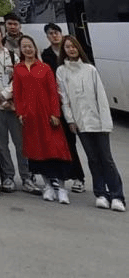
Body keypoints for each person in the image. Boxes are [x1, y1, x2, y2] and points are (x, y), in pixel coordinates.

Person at [56, 35, 124, 212]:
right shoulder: (61, 71)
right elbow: (64, 99)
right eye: (67, 47)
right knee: (93, 159)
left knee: (106, 159)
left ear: (79, 48)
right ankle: (101, 194)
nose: (71, 49)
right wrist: (70, 120)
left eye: (73, 46)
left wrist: (105, 121)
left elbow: (101, 96)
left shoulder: (90, 69)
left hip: (98, 122)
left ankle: (117, 195)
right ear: (64, 51)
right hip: (80, 123)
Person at [12, 33, 72, 204]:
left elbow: (53, 92)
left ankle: (61, 188)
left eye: (30, 46)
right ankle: (48, 186)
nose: (27, 49)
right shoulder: (18, 69)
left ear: (35, 48)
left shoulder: (44, 68)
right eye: (24, 47)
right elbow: (17, 93)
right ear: (20, 50)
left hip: (47, 116)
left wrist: (55, 114)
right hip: (30, 118)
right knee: (38, 153)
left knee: (55, 151)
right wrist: (20, 113)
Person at [0, 20, 32, 192]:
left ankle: (26, 177)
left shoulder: (12, 55)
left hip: (13, 105)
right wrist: (0, 100)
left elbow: (18, 78)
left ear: (2, 33)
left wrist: (7, 97)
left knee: (21, 143)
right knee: (2, 144)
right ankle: (8, 176)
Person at [41, 23, 86, 192]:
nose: (54, 36)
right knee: (68, 143)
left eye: (56, 32)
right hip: (59, 104)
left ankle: (84, 177)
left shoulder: (70, 52)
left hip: (78, 102)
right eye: (51, 33)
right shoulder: (45, 55)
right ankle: (75, 177)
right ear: (47, 37)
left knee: (87, 143)